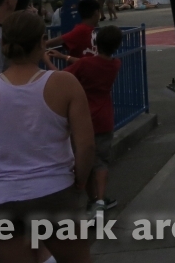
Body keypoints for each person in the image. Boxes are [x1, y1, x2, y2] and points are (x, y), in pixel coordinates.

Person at [0, 11, 94, 263]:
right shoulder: (65, 84)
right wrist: (79, 181)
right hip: (54, 192)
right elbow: (86, 146)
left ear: (3, 44)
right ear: (43, 41)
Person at [55, 24, 123, 216]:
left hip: (84, 118)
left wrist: (52, 60)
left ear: (96, 43)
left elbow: (62, 77)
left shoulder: (85, 65)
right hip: (105, 117)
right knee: (101, 161)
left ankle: (91, 200)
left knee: (84, 161)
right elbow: (93, 63)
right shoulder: (115, 64)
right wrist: (67, 57)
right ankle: (101, 200)